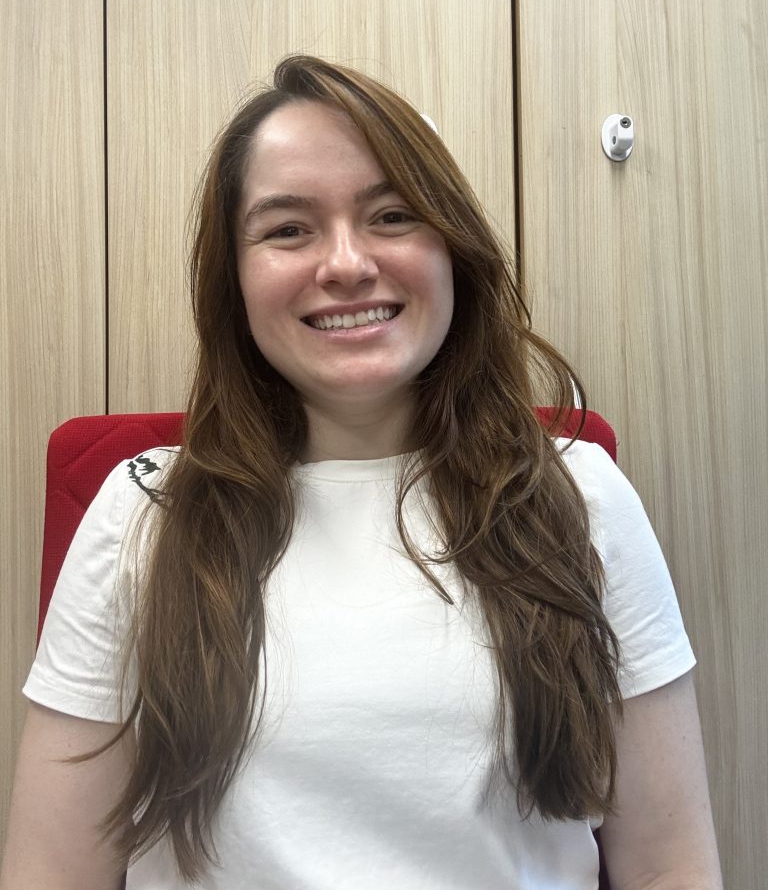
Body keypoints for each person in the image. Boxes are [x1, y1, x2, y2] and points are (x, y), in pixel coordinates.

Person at [1, 56, 723, 889]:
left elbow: (669, 867)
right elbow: (52, 872)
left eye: (392, 216)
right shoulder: (142, 513)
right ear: (234, 280)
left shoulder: (580, 495)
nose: (345, 263)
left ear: (454, 250)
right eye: (287, 229)